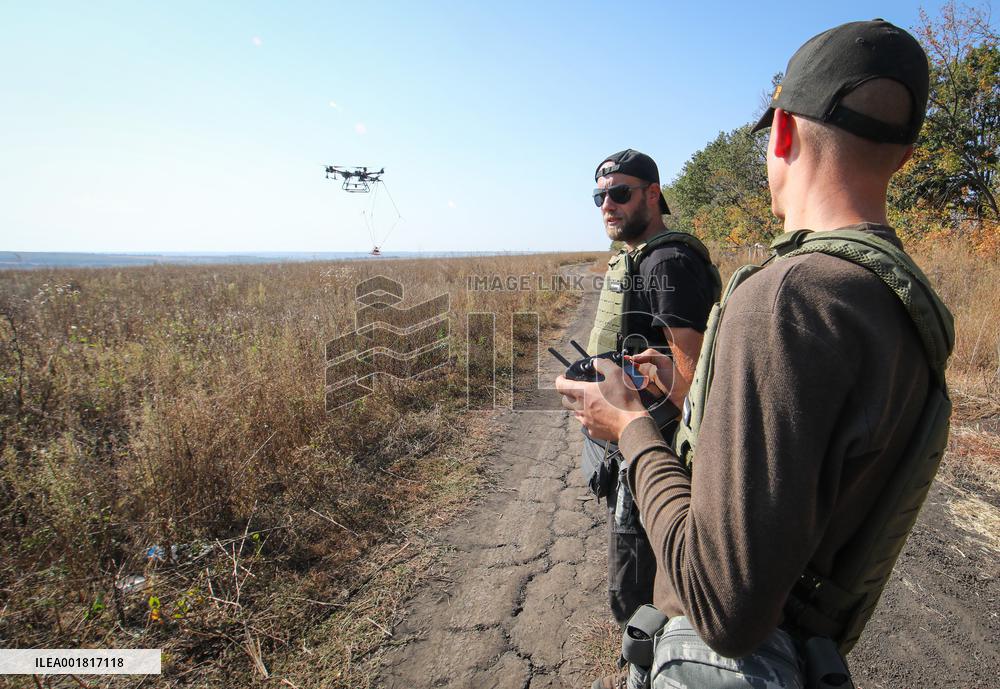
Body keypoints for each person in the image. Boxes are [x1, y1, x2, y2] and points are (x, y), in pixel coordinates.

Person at [557, 19, 954, 689]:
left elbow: (724, 608)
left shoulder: (787, 299)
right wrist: (694, 388)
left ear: (784, 132)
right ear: (905, 156)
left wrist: (628, 426)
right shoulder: (894, 295)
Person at [582, 149, 720, 626]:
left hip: (654, 446)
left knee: (638, 583)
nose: (607, 205)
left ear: (653, 194)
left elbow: (692, 380)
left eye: (620, 193)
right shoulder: (638, 258)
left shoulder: (667, 262)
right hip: (634, 436)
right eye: (600, 196)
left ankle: (651, 651)